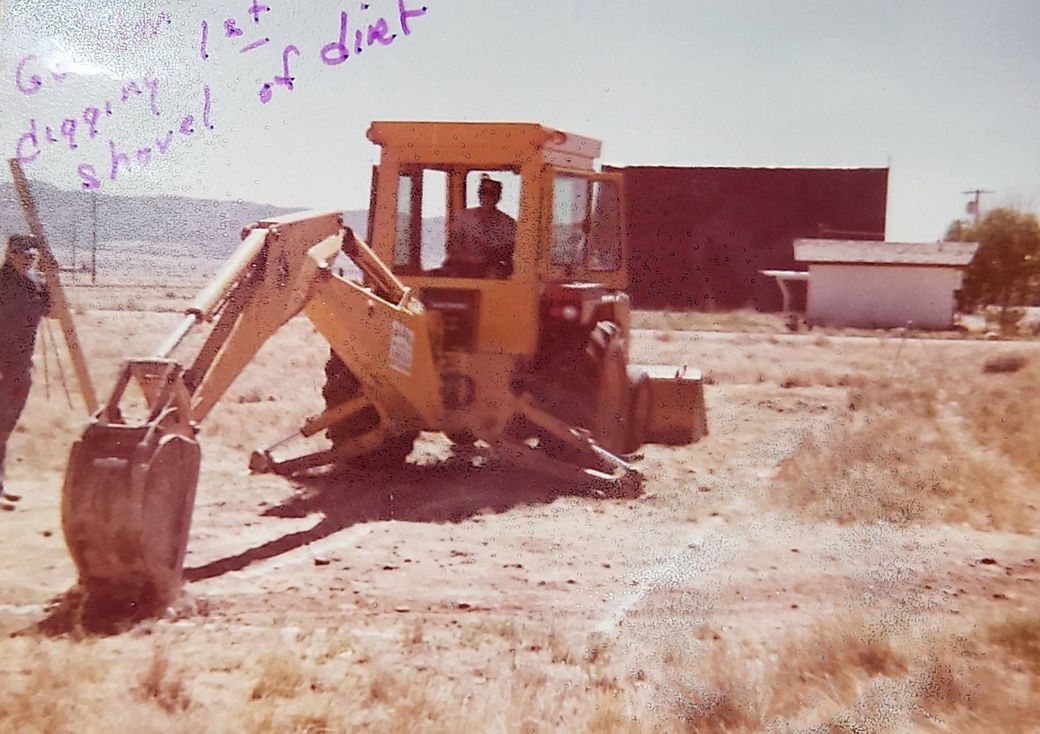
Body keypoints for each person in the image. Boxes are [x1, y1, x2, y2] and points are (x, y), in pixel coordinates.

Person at [0, 234, 50, 509]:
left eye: (32, 256)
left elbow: (51, 311)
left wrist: (53, 281)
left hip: (21, 366)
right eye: (23, 255)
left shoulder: (34, 285)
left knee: (4, 429)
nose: (27, 259)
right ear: (11, 254)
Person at [444, 175, 516, 277]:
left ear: (498, 197)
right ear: (479, 195)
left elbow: (510, 250)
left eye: (492, 193)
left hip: (491, 268)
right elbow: (452, 244)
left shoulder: (508, 223)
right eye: (483, 192)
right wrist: (466, 254)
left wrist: (490, 253)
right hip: (462, 267)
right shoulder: (463, 218)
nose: (487, 197)